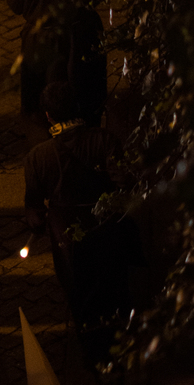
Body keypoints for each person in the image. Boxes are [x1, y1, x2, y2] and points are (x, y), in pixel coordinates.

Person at [24, 82, 138, 363]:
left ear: (48, 116)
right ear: (77, 108)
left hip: (68, 242)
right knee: (115, 287)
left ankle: (95, 354)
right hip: (107, 229)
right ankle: (123, 343)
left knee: (81, 295)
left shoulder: (37, 157)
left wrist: (38, 225)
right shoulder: (105, 140)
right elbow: (126, 183)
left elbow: (34, 211)